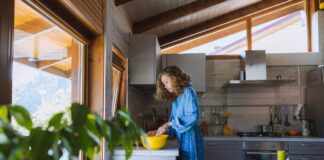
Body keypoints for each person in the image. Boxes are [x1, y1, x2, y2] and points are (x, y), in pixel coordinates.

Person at [148, 66, 205, 160]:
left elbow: (193, 116)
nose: (165, 86)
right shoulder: (177, 97)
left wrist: (167, 124)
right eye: (163, 83)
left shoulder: (188, 91)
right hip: (181, 139)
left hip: (190, 139)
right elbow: (174, 123)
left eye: (166, 82)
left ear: (175, 78)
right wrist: (159, 132)